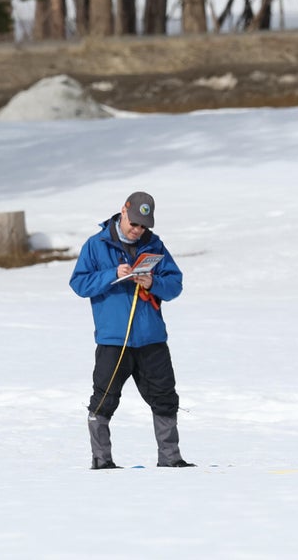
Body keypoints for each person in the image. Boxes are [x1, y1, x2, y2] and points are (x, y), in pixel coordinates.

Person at [70, 191, 195, 469]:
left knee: (165, 398)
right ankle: (102, 460)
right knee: (103, 399)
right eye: (134, 223)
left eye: (143, 226)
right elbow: (79, 284)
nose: (138, 230)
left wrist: (153, 283)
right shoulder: (95, 245)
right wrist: (111, 274)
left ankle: (171, 459)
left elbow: (174, 285)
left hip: (152, 338)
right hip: (113, 339)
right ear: (123, 212)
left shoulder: (155, 245)